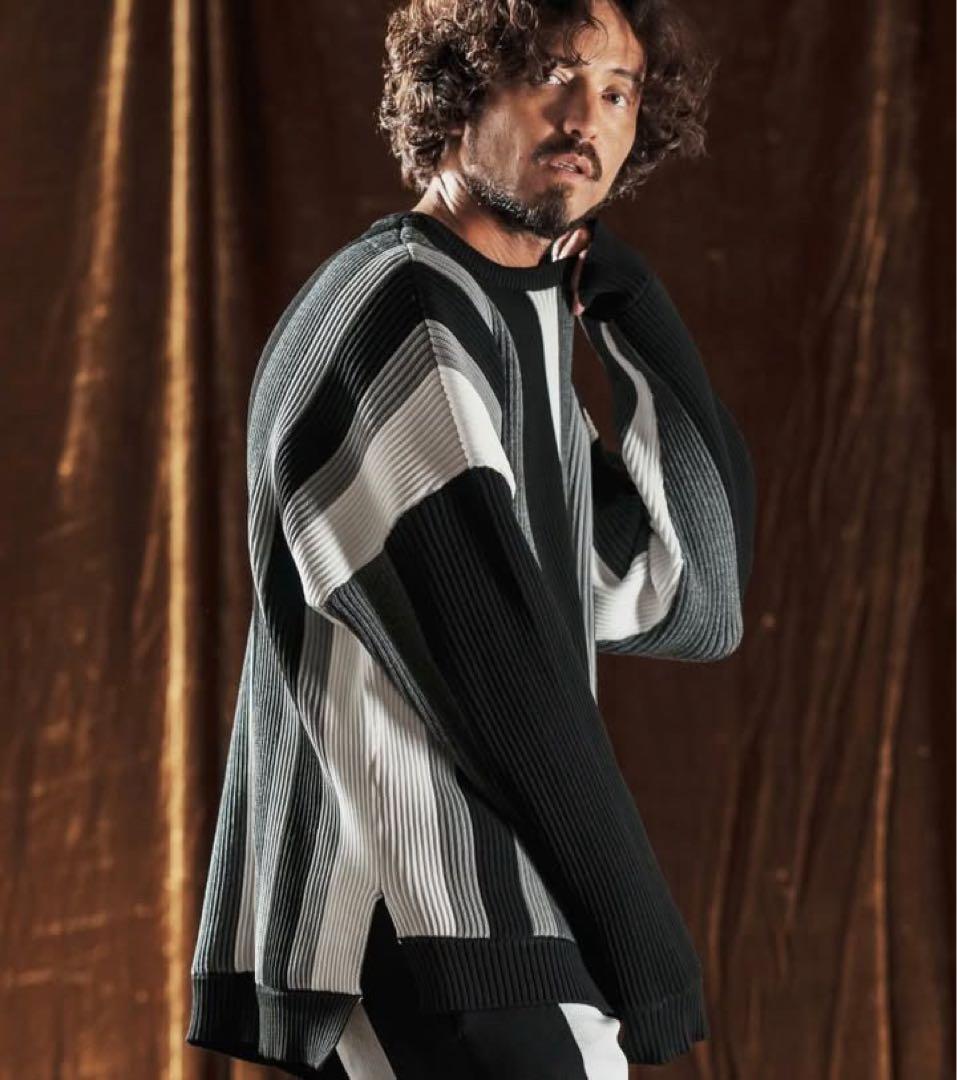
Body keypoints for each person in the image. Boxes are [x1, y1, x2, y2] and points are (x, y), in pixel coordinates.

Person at [185, 0, 755, 1076]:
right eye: (551, 74)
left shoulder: (501, 315)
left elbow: (688, 595)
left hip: (476, 916)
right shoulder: (403, 312)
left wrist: (637, 318)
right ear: (460, 88)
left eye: (619, 90)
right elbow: (497, 667)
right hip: (421, 909)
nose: (585, 116)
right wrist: (642, 946)